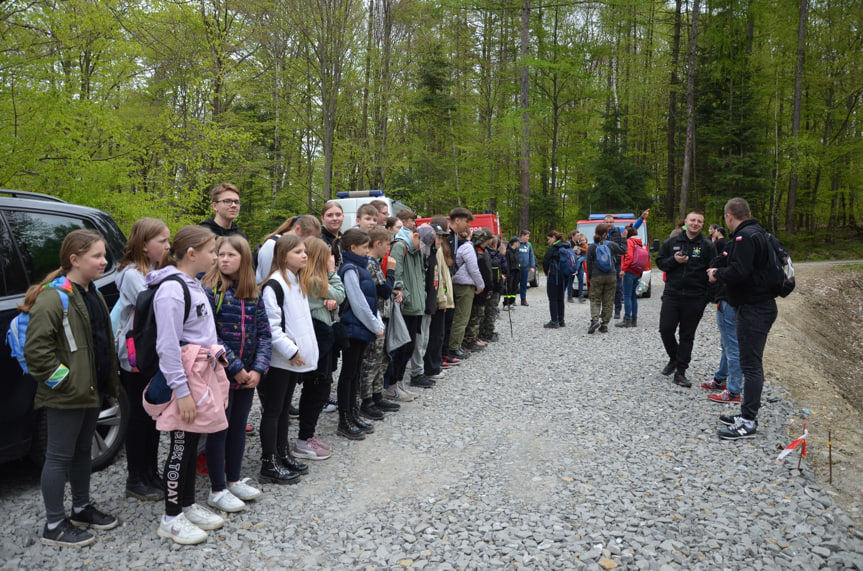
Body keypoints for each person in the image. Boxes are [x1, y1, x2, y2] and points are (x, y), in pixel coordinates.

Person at [23, 230, 121, 547]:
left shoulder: (89, 292)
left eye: (104, 255)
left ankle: (81, 508)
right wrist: (65, 382)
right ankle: (54, 525)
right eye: (97, 256)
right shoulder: (54, 297)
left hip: (89, 392)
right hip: (69, 394)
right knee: (58, 458)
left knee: (82, 453)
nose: (104, 261)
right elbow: (37, 354)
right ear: (74, 259)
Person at [146, 225, 228, 545]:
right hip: (185, 380)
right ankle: (171, 517)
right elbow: (167, 346)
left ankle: (187, 505)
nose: (216, 256)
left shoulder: (193, 284)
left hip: (200, 376)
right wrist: (181, 392)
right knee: (180, 445)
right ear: (192, 254)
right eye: (212, 251)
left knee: (193, 441)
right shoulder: (171, 290)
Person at [201, 236, 272, 512]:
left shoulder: (253, 292)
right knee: (220, 429)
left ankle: (233, 479)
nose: (224, 259)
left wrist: (258, 369)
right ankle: (216, 488)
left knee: (238, 428)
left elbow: (264, 333)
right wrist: (236, 367)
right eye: (221, 254)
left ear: (244, 260)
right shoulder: (210, 290)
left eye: (231, 255)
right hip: (221, 374)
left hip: (248, 376)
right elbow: (210, 336)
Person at [708, 198, 778, 439]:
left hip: (754, 307)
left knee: (751, 366)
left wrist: (717, 273)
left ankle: (748, 421)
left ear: (729, 216)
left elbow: (740, 271)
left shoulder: (745, 237)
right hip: (757, 305)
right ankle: (746, 413)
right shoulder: (758, 233)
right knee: (751, 363)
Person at [114, 218, 171, 501]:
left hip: (152, 354)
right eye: (162, 240)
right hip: (136, 357)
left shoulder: (153, 271)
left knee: (152, 416)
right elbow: (155, 308)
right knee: (139, 417)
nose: (167, 245)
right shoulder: (133, 275)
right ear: (144, 244)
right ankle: (136, 478)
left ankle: (151, 473)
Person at [259, 235, 315, 483]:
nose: (304, 255)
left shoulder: (295, 280)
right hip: (279, 360)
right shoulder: (274, 285)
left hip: (291, 360)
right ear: (283, 256)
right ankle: (268, 463)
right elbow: (272, 327)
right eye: (298, 252)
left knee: (283, 411)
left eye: (304, 251)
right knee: (273, 411)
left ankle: (282, 454)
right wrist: (291, 351)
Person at [293, 237, 345, 459]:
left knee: (320, 386)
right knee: (317, 388)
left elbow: (335, 298)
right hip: (318, 337)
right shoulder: (313, 279)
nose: (330, 259)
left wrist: (332, 298)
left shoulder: (312, 278)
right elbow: (339, 294)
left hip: (321, 336)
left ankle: (307, 437)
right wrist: (332, 273)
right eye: (327, 256)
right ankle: (304, 439)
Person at [654, 211, 716, 387]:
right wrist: (674, 260)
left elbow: (714, 271)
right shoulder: (672, 242)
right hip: (672, 294)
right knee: (665, 329)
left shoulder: (707, 246)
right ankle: (674, 359)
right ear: (685, 222)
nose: (695, 223)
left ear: (703, 225)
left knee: (687, 336)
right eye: (692, 220)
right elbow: (660, 263)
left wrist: (707, 298)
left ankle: (680, 372)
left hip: (695, 297)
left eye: (699, 221)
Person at [337, 229, 385, 439]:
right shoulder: (349, 269)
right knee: (348, 375)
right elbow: (358, 303)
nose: (368, 251)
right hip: (353, 329)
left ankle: (354, 413)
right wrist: (375, 326)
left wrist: (375, 323)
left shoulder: (360, 266)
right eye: (365, 247)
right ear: (352, 248)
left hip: (362, 328)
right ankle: (345, 419)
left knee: (355, 374)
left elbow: (370, 301)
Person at [389, 225, 429, 388]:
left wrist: (423, 296)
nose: (422, 248)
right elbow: (396, 275)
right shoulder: (400, 247)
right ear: (416, 236)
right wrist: (408, 296)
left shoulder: (417, 251)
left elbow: (421, 275)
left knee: (410, 346)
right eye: (422, 243)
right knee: (402, 348)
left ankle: (399, 383)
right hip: (406, 307)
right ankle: (394, 385)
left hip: (417, 307)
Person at [449, 227, 485, 359]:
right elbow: (473, 269)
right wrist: (480, 285)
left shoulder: (456, 246)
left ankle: (456, 344)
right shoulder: (468, 248)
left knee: (456, 317)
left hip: (455, 283)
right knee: (462, 317)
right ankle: (454, 347)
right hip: (465, 285)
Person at [255, 215, 322, 284]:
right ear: (297, 229)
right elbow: (267, 277)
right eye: (308, 239)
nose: (309, 244)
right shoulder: (272, 245)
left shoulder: (298, 248)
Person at [585, 223, 625, 333]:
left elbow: (588, 263)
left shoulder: (592, 247)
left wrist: (590, 276)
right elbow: (623, 251)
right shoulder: (611, 245)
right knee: (608, 300)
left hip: (597, 276)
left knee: (595, 299)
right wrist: (624, 239)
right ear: (605, 234)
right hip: (611, 275)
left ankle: (595, 319)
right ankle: (604, 324)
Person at [616, 226, 645, 328]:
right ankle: (634, 320)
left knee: (627, 296)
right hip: (637, 271)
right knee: (633, 296)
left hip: (629, 271)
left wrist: (623, 269)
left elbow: (629, 257)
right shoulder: (638, 242)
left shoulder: (629, 242)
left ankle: (627, 319)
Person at [542, 230, 569, 329]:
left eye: (549, 239)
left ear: (554, 237)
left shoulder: (553, 247)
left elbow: (545, 261)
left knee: (553, 298)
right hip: (565, 276)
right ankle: (561, 320)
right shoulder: (567, 245)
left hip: (554, 275)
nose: (548, 241)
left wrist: (546, 271)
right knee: (560, 298)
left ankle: (554, 321)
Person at [320, 201, 345, 270]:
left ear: (343, 217)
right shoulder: (319, 240)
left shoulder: (345, 239)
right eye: (329, 215)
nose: (334, 218)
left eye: (338, 215)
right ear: (322, 218)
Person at [517, 230, 536, 306]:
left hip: (525, 268)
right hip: (517, 268)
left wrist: (532, 266)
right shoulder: (517, 244)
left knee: (524, 284)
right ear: (522, 236)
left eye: (528, 236)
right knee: (515, 284)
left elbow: (531, 256)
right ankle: (512, 300)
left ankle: (523, 299)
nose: (528, 238)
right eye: (527, 236)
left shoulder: (529, 245)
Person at [503, 237, 520, 310]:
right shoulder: (508, 252)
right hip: (510, 272)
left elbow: (518, 263)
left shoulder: (516, 251)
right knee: (509, 288)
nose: (519, 244)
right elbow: (507, 264)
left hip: (516, 272)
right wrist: (507, 273)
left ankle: (511, 303)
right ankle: (506, 303)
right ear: (514, 242)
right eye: (518, 242)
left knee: (514, 288)